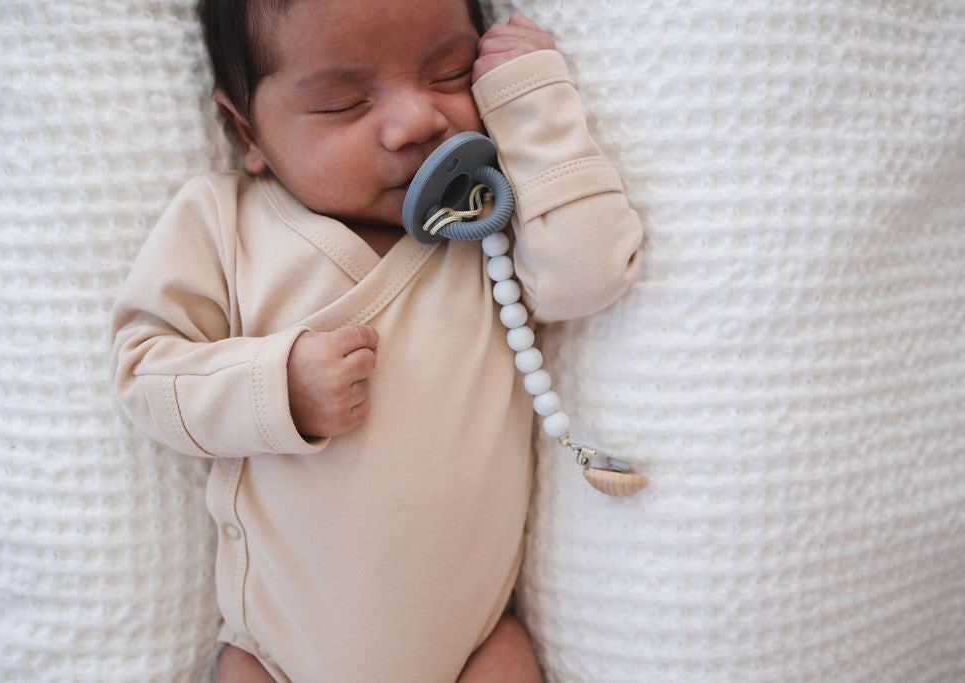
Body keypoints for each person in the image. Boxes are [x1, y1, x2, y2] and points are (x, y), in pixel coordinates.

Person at [110, 0, 642, 680]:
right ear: (245, 129)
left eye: (449, 73)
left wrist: (531, 101)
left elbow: (589, 275)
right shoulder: (225, 223)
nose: (418, 121)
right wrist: (278, 388)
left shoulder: (485, 221)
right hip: (275, 655)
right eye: (343, 104)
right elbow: (143, 372)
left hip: (472, 647)